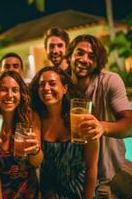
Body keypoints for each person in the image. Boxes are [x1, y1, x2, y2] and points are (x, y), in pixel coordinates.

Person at [66, 34, 132, 198]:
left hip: (102, 175)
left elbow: (131, 126)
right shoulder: (63, 85)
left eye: (92, 56)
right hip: (69, 174)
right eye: (79, 53)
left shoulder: (110, 81)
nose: (84, 59)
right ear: (70, 55)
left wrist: (103, 127)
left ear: (98, 62)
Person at [30, 66, 99, 198]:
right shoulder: (37, 118)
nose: (46, 88)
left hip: (79, 189)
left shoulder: (81, 117)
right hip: (48, 192)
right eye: (41, 85)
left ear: (65, 88)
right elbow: (36, 162)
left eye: (52, 83)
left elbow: (91, 167)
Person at [0, 71, 43, 198]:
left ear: (21, 93)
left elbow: (36, 163)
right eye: (4, 90)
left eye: (15, 90)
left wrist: (35, 150)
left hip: (28, 191)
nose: (10, 95)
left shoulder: (30, 117)